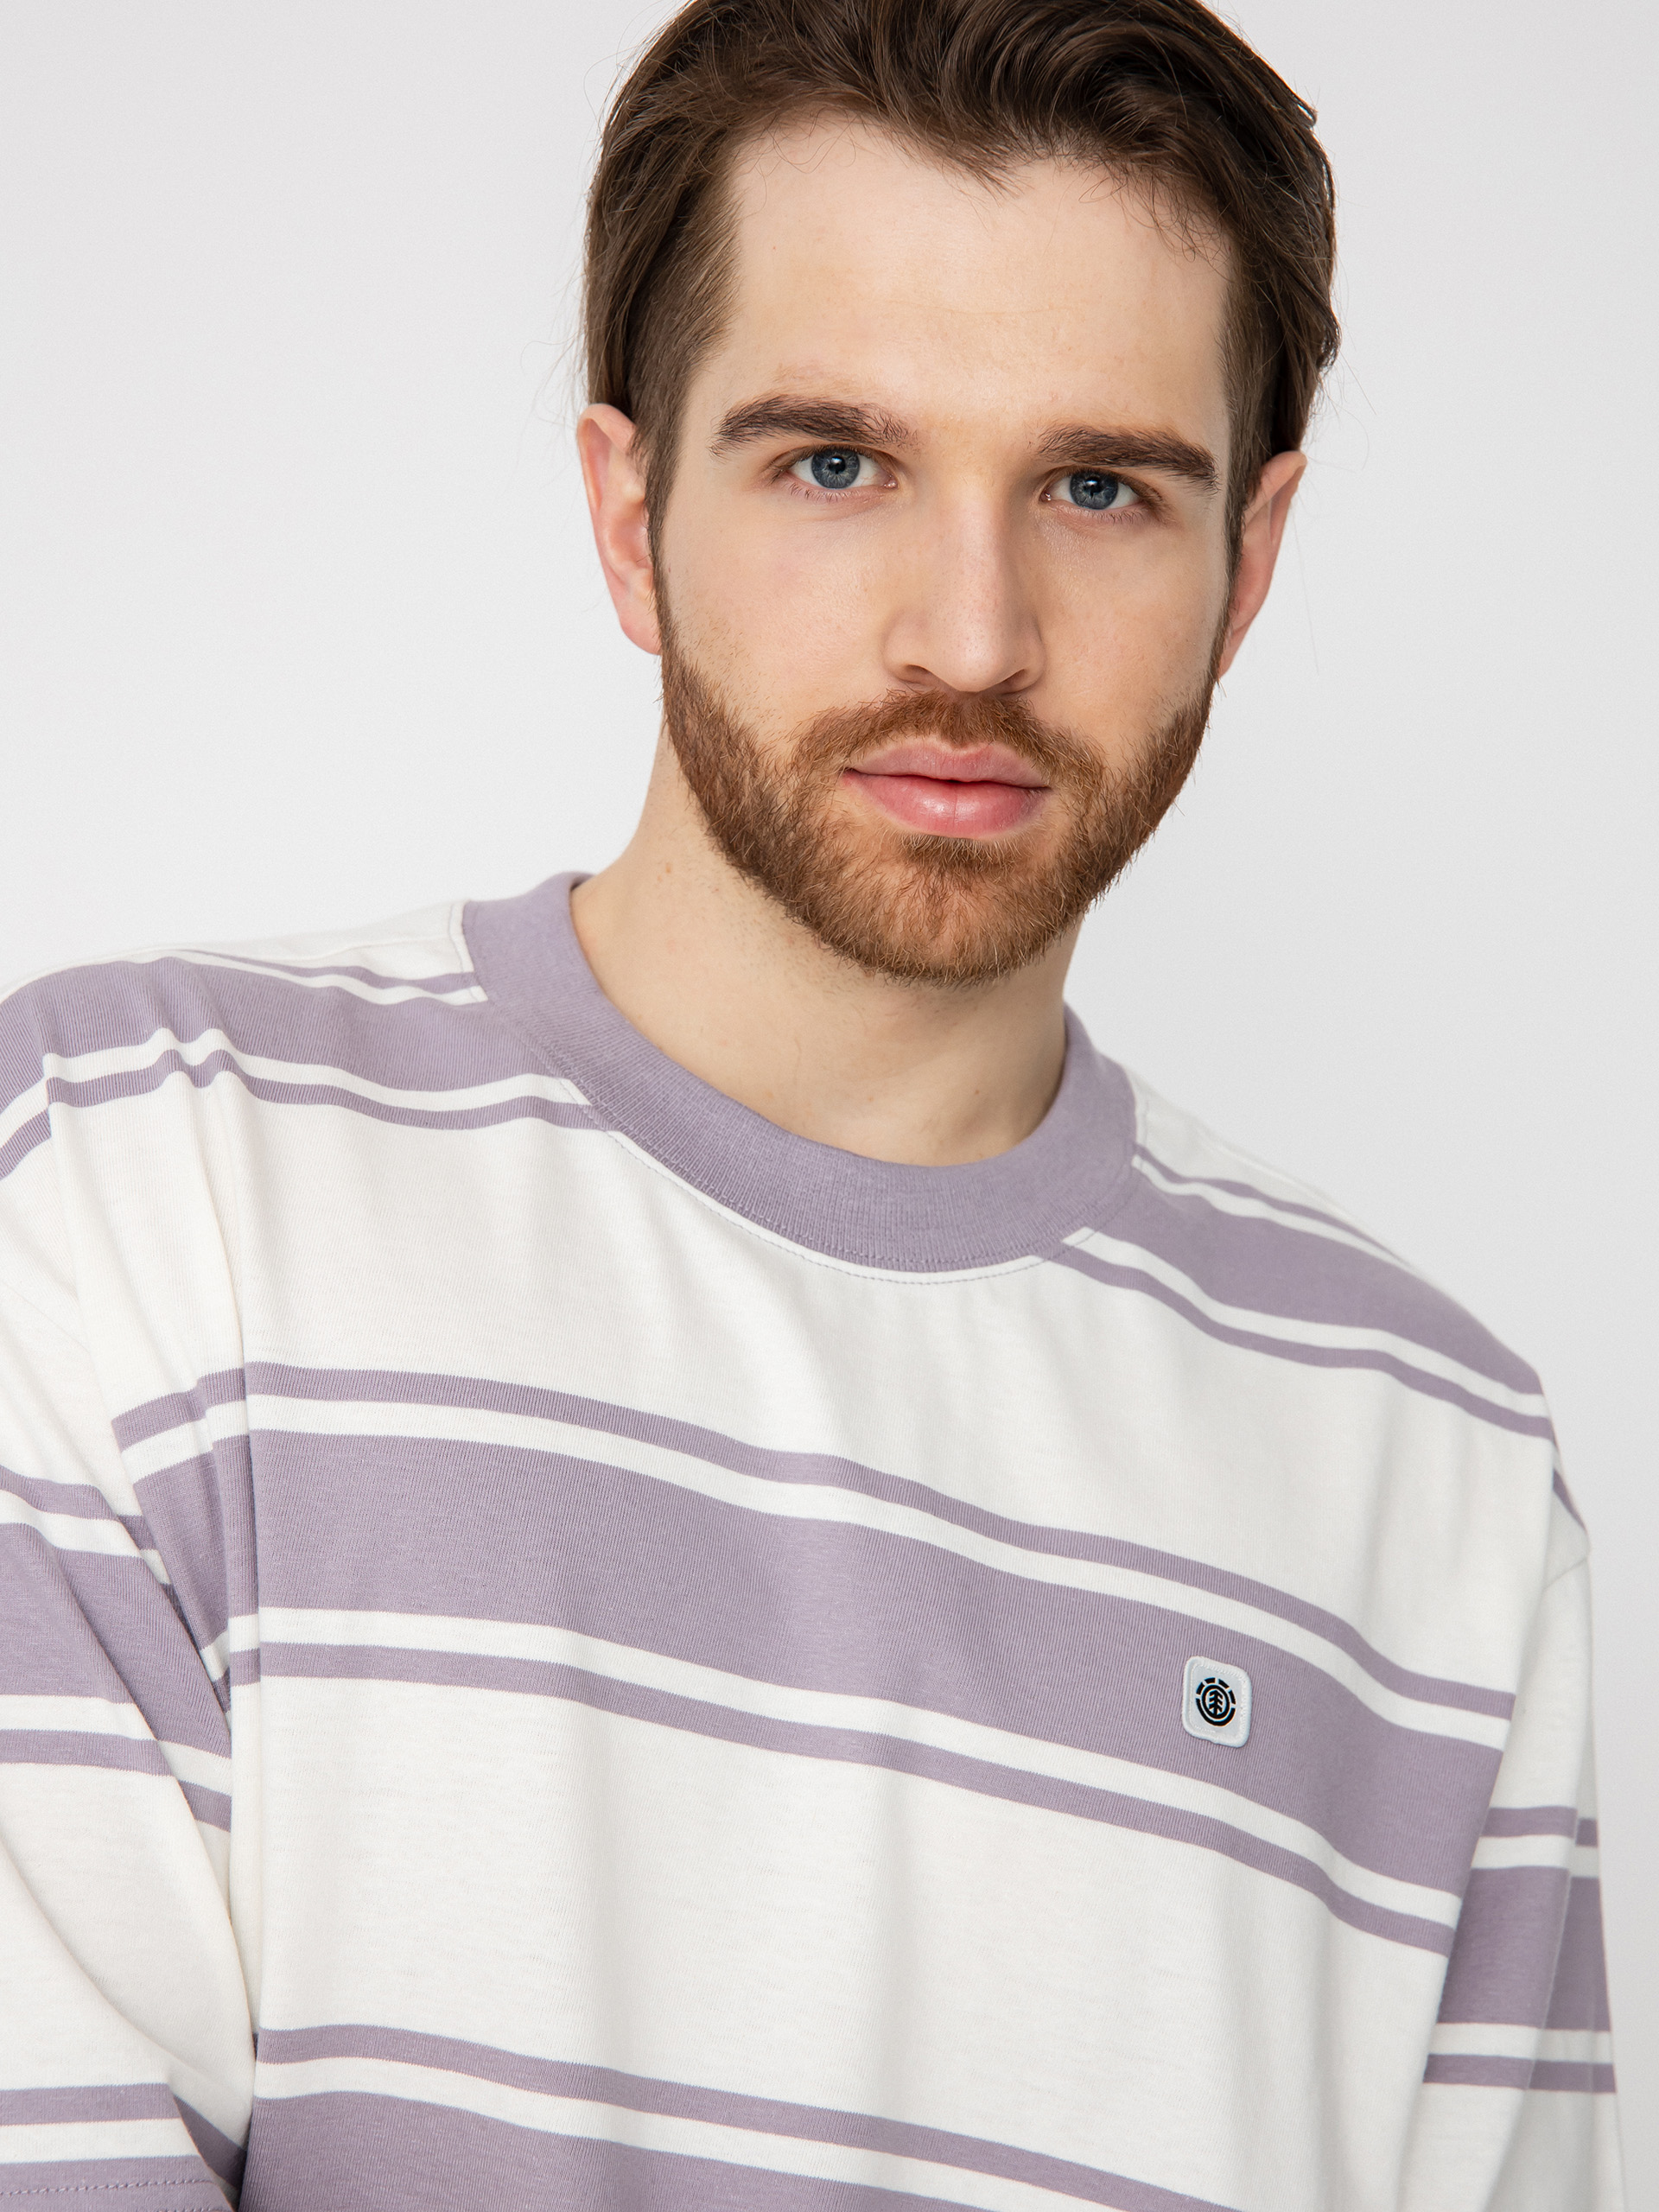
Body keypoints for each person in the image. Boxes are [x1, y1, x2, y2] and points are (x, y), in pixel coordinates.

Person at [0, 0, 1621, 2204]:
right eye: (837, 463)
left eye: (1099, 486)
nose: (972, 634)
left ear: (1249, 563)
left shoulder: (1435, 1471)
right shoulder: (135, 1188)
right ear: (629, 512)